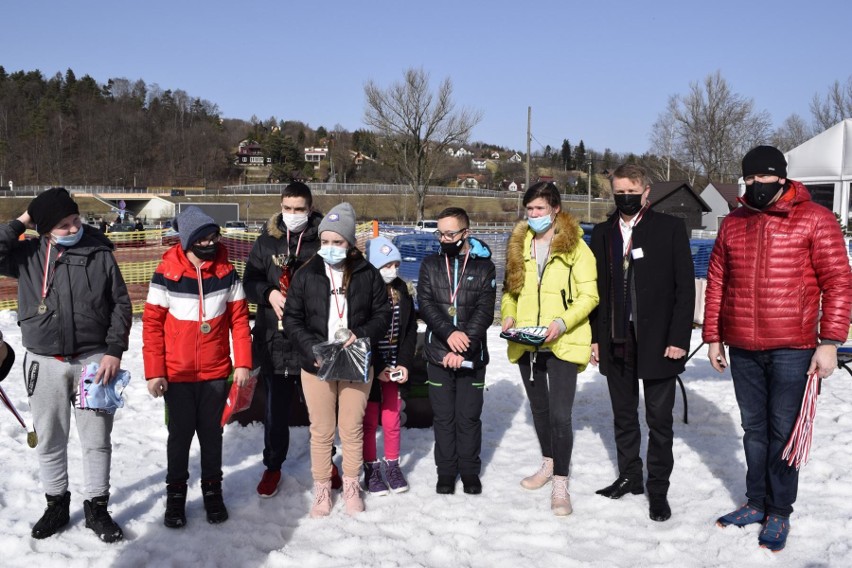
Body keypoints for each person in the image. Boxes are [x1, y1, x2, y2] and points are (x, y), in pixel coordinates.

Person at [704, 145, 852, 552]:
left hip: (794, 346)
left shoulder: (816, 220)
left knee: (783, 433)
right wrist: (714, 337)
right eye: (749, 179)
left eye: (763, 178)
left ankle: (779, 510)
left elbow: (838, 282)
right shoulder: (734, 223)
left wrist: (829, 342)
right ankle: (755, 502)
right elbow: (717, 282)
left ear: (781, 177)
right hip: (743, 346)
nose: (755, 186)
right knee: (754, 430)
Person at [0, 187, 132, 542]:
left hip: (94, 361)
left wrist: (114, 351)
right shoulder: (26, 255)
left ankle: (97, 507)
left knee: (96, 440)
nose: (74, 228)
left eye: (75, 220)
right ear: (43, 229)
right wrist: (25, 218)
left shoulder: (99, 251)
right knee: (50, 439)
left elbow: (121, 304)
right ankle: (56, 503)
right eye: (62, 224)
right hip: (44, 363)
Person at [589, 164, 695, 522]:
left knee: (659, 420)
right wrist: (595, 339)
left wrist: (679, 338)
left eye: (632, 192)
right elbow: (596, 291)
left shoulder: (669, 228)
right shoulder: (602, 233)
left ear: (646, 192)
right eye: (619, 192)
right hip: (617, 337)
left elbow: (684, 288)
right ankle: (630, 475)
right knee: (623, 415)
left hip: (659, 340)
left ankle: (658, 488)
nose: (626, 198)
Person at [142, 206, 252, 528]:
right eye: (202, 239)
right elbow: (151, 325)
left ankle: (212, 490)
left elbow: (240, 320)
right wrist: (155, 372)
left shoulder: (227, 271)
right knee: (179, 437)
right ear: (188, 240)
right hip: (176, 375)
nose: (210, 243)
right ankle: (176, 493)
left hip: (216, 373)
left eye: (213, 237)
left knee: (211, 435)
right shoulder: (166, 272)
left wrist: (243, 363)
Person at [284, 202, 391, 517]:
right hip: (317, 363)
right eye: (325, 242)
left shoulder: (367, 274)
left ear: (350, 243)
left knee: (352, 427)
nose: (330, 248)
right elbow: (292, 319)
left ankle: (351, 485)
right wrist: (311, 349)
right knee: (322, 430)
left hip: (356, 360)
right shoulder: (306, 274)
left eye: (338, 242)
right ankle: (320, 489)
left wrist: (361, 332)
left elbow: (383, 313)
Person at [501, 182, 598, 516]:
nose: (533, 215)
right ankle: (548, 461)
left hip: (562, 340)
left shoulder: (577, 248)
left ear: (556, 209)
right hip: (527, 341)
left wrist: (560, 322)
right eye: (529, 210)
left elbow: (589, 297)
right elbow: (509, 292)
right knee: (539, 410)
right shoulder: (519, 244)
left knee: (560, 414)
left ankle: (561, 482)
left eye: (539, 209)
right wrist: (509, 316)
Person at [243, 182, 326, 498]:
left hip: (312, 339)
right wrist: (269, 293)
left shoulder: (323, 240)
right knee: (275, 412)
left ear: (310, 207)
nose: (293, 215)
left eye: (299, 209)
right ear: (281, 207)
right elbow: (249, 281)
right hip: (273, 340)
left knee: (320, 409)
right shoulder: (266, 242)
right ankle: (273, 466)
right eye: (287, 209)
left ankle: (325, 462)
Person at [417, 207, 496, 495]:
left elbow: (485, 311)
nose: (444, 239)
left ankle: (470, 471)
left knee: (468, 417)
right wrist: (449, 335)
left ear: (466, 233)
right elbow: (425, 305)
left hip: (471, 355)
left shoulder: (484, 266)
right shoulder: (430, 264)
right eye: (440, 233)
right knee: (444, 418)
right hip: (439, 353)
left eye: (451, 233)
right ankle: (446, 471)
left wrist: (464, 346)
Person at [362, 236, 417, 495]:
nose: (392, 270)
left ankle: (392, 465)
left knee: (392, 418)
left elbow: (409, 330)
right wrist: (379, 366)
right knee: (370, 420)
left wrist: (404, 363)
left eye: (396, 264)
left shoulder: (402, 291)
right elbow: (363, 334)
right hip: (370, 367)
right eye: (386, 265)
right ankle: (371, 467)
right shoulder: (363, 293)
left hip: (395, 366)